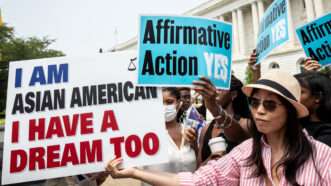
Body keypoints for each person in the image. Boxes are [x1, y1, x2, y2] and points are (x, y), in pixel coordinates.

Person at [106, 70, 331, 185]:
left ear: (290, 111)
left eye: (270, 105)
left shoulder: (322, 156)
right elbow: (194, 181)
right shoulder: (246, 154)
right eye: (255, 103)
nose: (260, 110)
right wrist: (135, 172)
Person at [185, 75, 251, 166]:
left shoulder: (245, 124)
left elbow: (237, 135)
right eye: (213, 88)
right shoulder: (206, 128)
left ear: (233, 94)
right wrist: (193, 145)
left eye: (220, 88)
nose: (214, 92)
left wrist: (213, 107)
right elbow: (199, 167)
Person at [141, 88, 196, 180]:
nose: (164, 106)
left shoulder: (189, 131)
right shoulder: (146, 134)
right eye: (160, 103)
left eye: (169, 102)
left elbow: (199, 165)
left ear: (179, 103)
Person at [295, 71, 331, 147]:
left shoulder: (327, 134)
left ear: (318, 97)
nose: (294, 96)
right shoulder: (297, 122)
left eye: (300, 92)